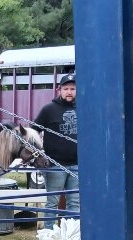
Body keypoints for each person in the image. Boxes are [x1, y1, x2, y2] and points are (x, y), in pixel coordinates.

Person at [33, 72, 79, 227]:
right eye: (66, 88)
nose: (69, 92)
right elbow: (33, 132)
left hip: (77, 165)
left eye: (73, 88)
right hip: (54, 165)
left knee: (74, 204)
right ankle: (49, 238)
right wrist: (38, 153)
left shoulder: (84, 109)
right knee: (52, 203)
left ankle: (73, 238)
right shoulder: (48, 109)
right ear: (59, 90)